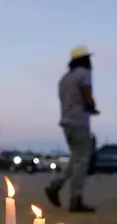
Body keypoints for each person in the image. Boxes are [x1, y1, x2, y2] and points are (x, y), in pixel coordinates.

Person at [44, 45, 99, 213]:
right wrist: (92, 107)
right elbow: (87, 96)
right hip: (79, 121)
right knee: (82, 162)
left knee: (76, 158)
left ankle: (55, 185)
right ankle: (76, 199)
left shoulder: (64, 78)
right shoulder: (84, 74)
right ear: (85, 59)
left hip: (67, 121)